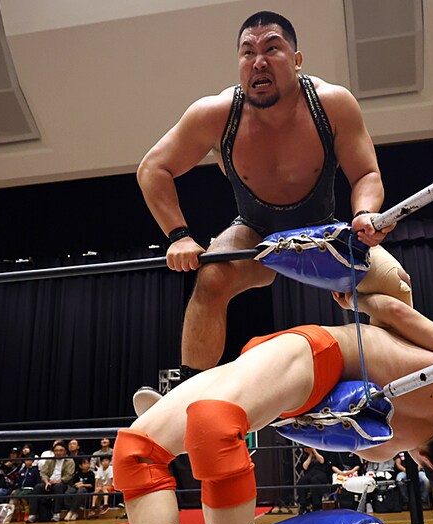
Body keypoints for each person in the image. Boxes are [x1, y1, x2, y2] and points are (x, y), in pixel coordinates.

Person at [136, 10, 411, 382]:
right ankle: (189, 394)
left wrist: (365, 214)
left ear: (297, 61)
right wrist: (179, 236)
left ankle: (402, 387)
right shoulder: (215, 114)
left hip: (324, 233)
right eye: (247, 52)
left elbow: (366, 173)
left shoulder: (332, 104)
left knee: (396, 283)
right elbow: (153, 169)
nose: (258, 61)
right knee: (211, 277)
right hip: (254, 231)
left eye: (271, 49)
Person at [114, 291, 433, 524]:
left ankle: (181, 408)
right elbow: (306, 431)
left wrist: (354, 300)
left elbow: (397, 308)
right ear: (428, 463)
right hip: (300, 379)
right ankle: (188, 409)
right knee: (208, 427)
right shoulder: (384, 447)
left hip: (300, 358)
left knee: (138, 452)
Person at [33, 441, 75, 522]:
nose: (58, 453)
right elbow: (43, 472)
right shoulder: (49, 460)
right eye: (56, 451)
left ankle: (57, 513)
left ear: (65, 451)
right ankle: (32, 514)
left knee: (58, 487)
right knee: (38, 487)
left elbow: (69, 475)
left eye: (61, 450)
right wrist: (46, 481)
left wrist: (59, 481)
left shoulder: (69, 461)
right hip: (49, 482)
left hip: (63, 483)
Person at [295, 448, 331, 514]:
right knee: (302, 481)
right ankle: (303, 505)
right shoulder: (305, 455)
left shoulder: (322, 451)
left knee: (314, 481)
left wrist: (314, 451)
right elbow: (304, 467)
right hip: (310, 473)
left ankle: (317, 505)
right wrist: (310, 455)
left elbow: (322, 461)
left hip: (321, 472)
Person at [12, 455, 40, 523]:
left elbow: (37, 481)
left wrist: (35, 489)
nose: (28, 462)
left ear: (32, 461)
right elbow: (19, 481)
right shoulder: (22, 470)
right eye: (26, 460)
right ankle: (18, 512)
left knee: (23, 496)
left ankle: (27, 512)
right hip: (21, 488)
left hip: (30, 488)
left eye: (30, 460)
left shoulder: (34, 470)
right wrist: (16, 489)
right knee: (14, 496)